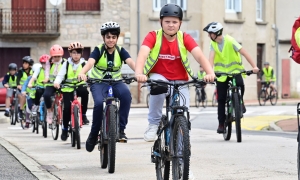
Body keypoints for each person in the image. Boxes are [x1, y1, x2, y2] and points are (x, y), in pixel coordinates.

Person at [135, 4, 215, 142]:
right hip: (158, 78)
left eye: (174, 22)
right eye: (167, 21)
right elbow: (142, 54)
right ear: (161, 22)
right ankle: (153, 124)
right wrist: (139, 73)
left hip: (180, 81)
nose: (171, 25)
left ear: (180, 23)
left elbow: (199, 56)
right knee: (159, 87)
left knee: (182, 110)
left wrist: (210, 72)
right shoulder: (153, 36)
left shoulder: (184, 38)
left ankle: (181, 146)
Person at [78, 21, 135, 152]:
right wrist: (82, 72)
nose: (111, 40)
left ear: (117, 38)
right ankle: (93, 134)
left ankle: (121, 129)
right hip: (98, 82)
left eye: (113, 37)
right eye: (108, 37)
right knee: (98, 103)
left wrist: (139, 72)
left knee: (126, 96)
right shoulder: (99, 50)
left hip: (116, 81)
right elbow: (90, 62)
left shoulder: (121, 51)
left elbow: (130, 62)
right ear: (103, 38)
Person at [203, 22, 260, 133]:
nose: (208, 36)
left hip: (235, 71)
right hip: (221, 75)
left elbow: (245, 53)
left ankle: (240, 102)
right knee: (221, 99)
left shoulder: (230, 40)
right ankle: (221, 124)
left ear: (216, 33)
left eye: (210, 33)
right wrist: (210, 73)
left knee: (240, 84)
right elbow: (210, 60)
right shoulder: (213, 44)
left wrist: (254, 66)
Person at [54, 42, 90, 141]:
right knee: (66, 109)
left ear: (81, 54)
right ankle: (65, 129)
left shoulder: (85, 63)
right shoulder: (66, 64)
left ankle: (83, 115)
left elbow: (91, 73)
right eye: (74, 53)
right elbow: (60, 75)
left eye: (78, 53)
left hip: (79, 86)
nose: (76, 55)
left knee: (85, 93)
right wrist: (57, 82)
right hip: (67, 88)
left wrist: (92, 79)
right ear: (70, 54)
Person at [43, 44, 65, 124]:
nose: (56, 58)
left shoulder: (65, 62)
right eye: (55, 56)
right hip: (51, 84)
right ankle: (49, 112)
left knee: (66, 97)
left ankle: (63, 113)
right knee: (46, 95)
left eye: (58, 56)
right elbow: (47, 71)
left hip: (62, 84)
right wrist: (46, 78)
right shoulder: (49, 62)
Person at [21, 63, 42, 128]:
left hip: (38, 95)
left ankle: (41, 118)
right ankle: (27, 121)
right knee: (29, 107)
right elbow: (24, 85)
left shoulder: (41, 77)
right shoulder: (30, 78)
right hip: (30, 95)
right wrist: (23, 91)